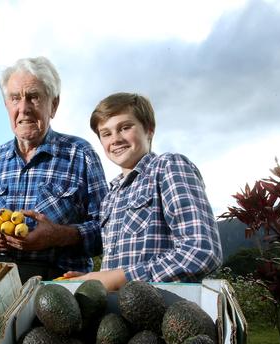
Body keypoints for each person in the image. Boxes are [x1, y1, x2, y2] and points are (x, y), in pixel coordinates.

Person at [64, 92, 222, 290]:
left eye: (125, 127)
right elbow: (115, 273)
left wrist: (119, 278)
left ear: (149, 129)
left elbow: (201, 251)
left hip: (167, 311)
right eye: (106, 133)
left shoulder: (168, 167)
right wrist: (95, 280)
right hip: (119, 313)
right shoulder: (110, 198)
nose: (115, 139)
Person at [0, 56, 108, 282]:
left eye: (33, 97)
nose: (23, 108)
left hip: (60, 285)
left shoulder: (80, 153)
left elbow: (108, 231)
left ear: (53, 105)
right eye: (15, 98)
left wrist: (58, 236)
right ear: (6, 105)